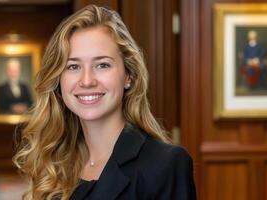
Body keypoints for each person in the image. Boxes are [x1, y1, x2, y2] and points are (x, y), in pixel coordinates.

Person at [13, 5, 196, 200]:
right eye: (73, 66)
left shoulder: (165, 164)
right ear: (58, 80)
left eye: (102, 65)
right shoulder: (54, 162)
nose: (87, 80)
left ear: (129, 76)